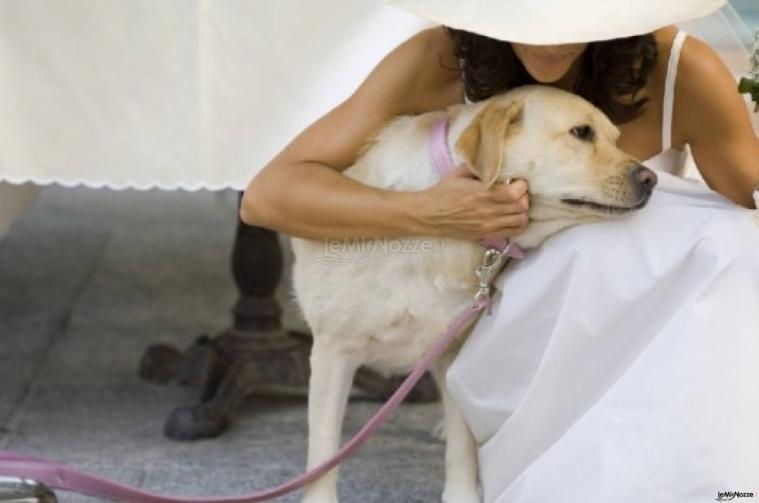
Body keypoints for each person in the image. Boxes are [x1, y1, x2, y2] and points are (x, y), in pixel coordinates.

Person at [241, 0, 759, 500]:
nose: (550, 33)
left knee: (735, 243)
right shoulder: (440, 60)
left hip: (654, 321)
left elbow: (748, 199)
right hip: (513, 325)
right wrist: (429, 212)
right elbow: (267, 197)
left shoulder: (680, 69)